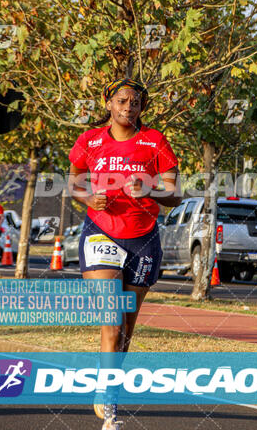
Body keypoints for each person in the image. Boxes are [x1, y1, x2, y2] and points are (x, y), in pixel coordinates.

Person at [68, 78, 182, 430]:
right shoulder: (90, 140)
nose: (128, 108)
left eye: (134, 103)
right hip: (100, 232)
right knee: (113, 321)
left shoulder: (155, 141)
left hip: (143, 239)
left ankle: (108, 386)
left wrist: (148, 188)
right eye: (121, 101)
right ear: (108, 103)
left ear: (141, 108)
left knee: (126, 329)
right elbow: (74, 181)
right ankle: (112, 409)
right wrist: (87, 199)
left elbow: (175, 194)